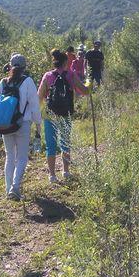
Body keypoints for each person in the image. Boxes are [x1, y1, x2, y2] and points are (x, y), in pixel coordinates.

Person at [37, 49, 89, 184]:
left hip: (50, 115)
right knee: (65, 142)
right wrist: (89, 83)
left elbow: (39, 96)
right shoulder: (71, 75)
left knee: (51, 145)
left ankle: (52, 176)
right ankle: (66, 171)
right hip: (65, 113)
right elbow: (84, 91)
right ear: (65, 62)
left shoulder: (48, 76)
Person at [0, 53, 42, 201]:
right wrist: (38, 123)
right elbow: (34, 105)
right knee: (21, 157)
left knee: (9, 157)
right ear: (24, 67)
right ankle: (15, 188)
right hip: (23, 124)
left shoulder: (3, 82)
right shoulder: (28, 81)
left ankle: (8, 189)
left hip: (5, 125)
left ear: (9, 65)